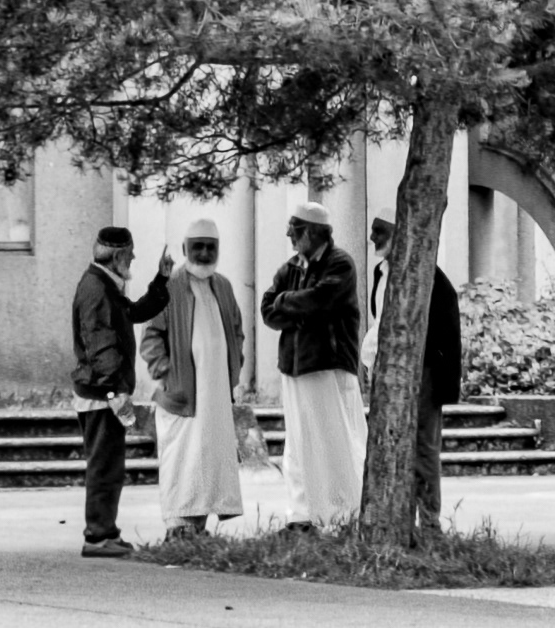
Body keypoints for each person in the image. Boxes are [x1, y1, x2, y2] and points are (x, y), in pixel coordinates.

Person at [260, 201, 366, 532]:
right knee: (298, 445)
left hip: (328, 366)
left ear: (312, 232)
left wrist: (286, 302)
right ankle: (302, 516)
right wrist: (295, 308)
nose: (288, 235)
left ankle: (342, 516)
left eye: (294, 230)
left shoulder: (340, 264)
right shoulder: (290, 268)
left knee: (334, 443)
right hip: (294, 367)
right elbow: (267, 310)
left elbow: (320, 301)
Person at [140, 217, 245, 539]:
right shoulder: (170, 286)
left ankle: (197, 528)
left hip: (216, 395)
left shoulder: (223, 286)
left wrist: (234, 368)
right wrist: (166, 374)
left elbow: (237, 331)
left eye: (210, 247)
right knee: (181, 458)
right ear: (185, 249)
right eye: (197, 246)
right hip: (182, 393)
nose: (204, 253)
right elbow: (151, 337)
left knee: (209, 459)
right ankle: (177, 525)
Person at [360, 206, 462, 534]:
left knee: (424, 448)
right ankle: (399, 520)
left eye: (379, 231)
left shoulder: (431, 277)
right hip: (388, 374)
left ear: (399, 233)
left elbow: (445, 333)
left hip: (426, 373)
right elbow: (380, 321)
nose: (372, 237)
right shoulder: (381, 272)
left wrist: (442, 384)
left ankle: (430, 523)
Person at [71, 226, 171, 558]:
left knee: (108, 466)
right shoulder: (97, 288)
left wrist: (161, 280)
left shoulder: (103, 284)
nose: (133, 257)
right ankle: (98, 536)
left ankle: (106, 532)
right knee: (104, 467)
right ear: (117, 256)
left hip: (103, 392)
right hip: (103, 395)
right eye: (129, 254)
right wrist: (116, 392)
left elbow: (134, 313)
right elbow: (100, 344)